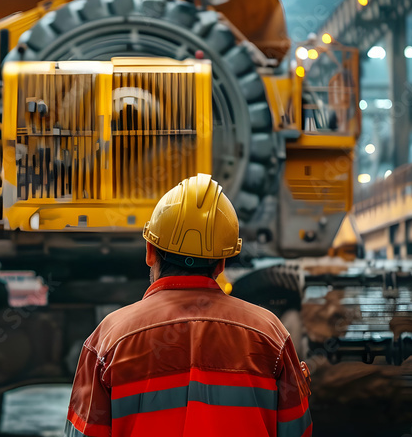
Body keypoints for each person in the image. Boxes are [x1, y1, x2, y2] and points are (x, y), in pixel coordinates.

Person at [66, 174, 312, 437]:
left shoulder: (108, 339)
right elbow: (297, 431)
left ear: (150, 251)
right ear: (221, 264)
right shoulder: (270, 335)